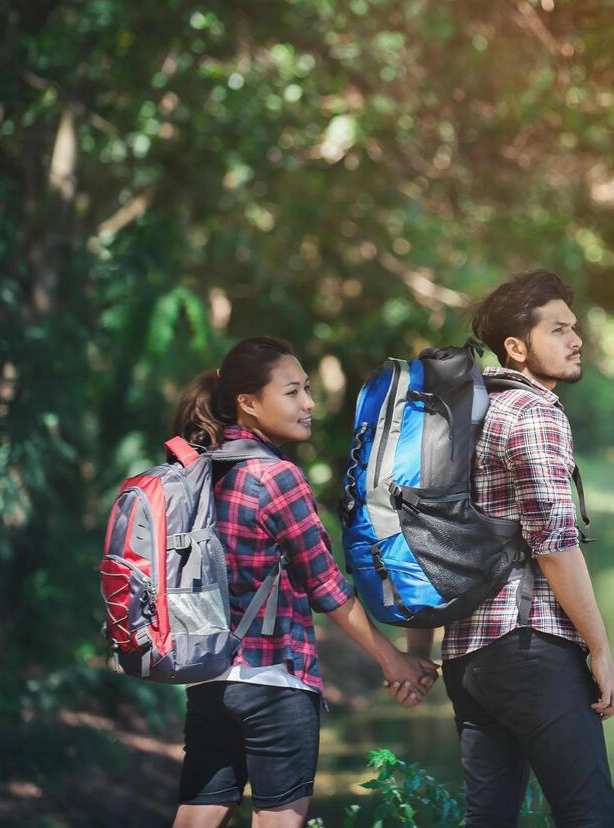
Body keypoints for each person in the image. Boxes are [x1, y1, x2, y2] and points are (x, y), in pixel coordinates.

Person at [171, 336, 439, 828]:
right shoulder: (278, 477)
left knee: (195, 817)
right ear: (247, 403)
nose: (309, 403)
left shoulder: (196, 470)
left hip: (209, 681)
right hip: (275, 682)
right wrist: (395, 660)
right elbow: (328, 589)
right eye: (293, 392)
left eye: (308, 389)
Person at [408, 270, 614, 827]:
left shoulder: (463, 415)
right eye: (558, 330)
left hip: (467, 656)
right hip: (530, 645)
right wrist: (600, 650)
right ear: (516, 348)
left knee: (489, 819)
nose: (576, 340)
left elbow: (428, 530)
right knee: (589, 814)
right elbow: (554, 543)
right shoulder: (534, 414)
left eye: (574, 328)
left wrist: (418, 642)